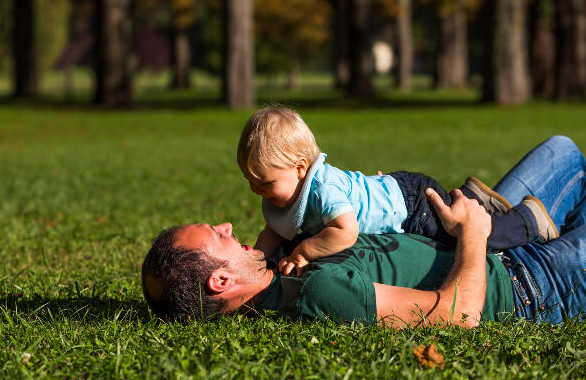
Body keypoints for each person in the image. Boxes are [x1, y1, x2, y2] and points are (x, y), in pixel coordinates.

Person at [142, 136, 586, 326]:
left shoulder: (282, 258)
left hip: (479, 236)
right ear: (220, 281)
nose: (227, 225)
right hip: (530, 284)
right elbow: (457, 318)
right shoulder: (316, 292)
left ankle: (534, 225)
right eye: (217, 236)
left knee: (561, 152)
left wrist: (378, 199)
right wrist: (474, 233)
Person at [236, 107, 557, 276]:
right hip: (396, 191)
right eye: (249, 181)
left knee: (465, 239)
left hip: (411, 206)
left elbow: (346, 232)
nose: (255, 190)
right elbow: (274, 232)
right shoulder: (284, 194)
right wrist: (257, 259)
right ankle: (471, 198)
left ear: (300, 168)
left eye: (264, 182)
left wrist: (305, 250)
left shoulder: (322, 190)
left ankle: (528, 221)